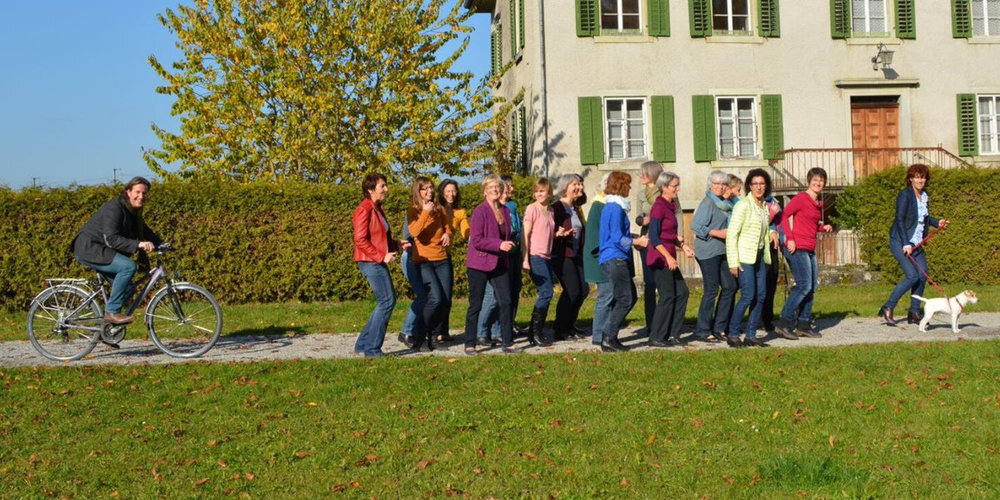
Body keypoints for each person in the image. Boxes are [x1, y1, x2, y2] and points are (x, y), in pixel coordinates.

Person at [71, 176, 163, 328]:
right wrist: (138, 244)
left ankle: (103, 329)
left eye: (144, 193)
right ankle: (112, 312)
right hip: (90, 248)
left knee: (128, 289)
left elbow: (146, 231)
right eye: (137, 192)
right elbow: (111, 239)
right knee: (128, 266)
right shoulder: (115, 208)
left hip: (102, 249)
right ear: (128, 192)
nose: (141, 196)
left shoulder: (132, 211)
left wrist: (163, 244)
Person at [878, 164, 950, 326]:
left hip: (916, 242)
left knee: (922, 275)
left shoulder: (924, 196)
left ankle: (914, 313)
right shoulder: (905, 195)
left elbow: (923, 218)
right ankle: (888, 307)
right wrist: (905, 244)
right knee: (912, 276)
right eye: (917, 177)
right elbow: (900, 220)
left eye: (923, 177)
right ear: (910, 179)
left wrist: (937, 222)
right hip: (900, 241)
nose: (920, 180)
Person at [351, 173, 408, 358]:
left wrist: (396, 244)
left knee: (385, 301)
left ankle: (363, 344)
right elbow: (360, 240)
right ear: (370, 190)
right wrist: (381, 256)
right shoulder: (364, 209)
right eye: (382, 186)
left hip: (374, 260)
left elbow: (379, 237)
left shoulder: (377, 209)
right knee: (387, 301)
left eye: (385, 185)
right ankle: (372, 349)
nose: (386, 189)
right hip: (370, 262)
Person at [774, 168, 834, 340]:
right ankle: (783, 322)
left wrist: (822, 228)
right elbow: (784, 216)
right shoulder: (801, 198)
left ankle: (804, 324)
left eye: (821, 180)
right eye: (815, 180)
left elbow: (810, 225)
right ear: (809, 181)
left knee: (812, 287)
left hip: (809, 248)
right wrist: (789, 238)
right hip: (797, 247)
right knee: (804, 286)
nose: (818, 183)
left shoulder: (817, 203)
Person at [464, 175, 520, 355]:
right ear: (485, 191)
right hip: (479, 262)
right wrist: (499, 245)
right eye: (491, 187)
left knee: (506, 301)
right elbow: (476, 240)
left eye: (498, 186)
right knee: (476, 304)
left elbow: (508, 235)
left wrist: (509, 244)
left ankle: (508, 342)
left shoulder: (505, 211)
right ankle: (470, 343)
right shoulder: (480, 211)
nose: (495, 189)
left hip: (500, 262)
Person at [726, 169, 776, 348]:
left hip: (760, 256)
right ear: (749, 186)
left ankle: (751, 335)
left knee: (761, 295)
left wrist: (772, 233)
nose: (759, 187)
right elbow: (732, 234)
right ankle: (733, 334)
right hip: (744, 258)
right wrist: (733, 262)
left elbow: (762, 230)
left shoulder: (764, 206)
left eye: (762, 184)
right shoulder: (743, 205)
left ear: (766, 186)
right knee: (748, 296)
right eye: (755, 184)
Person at [599, 171, 648, 352]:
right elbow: (616, 238)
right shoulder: (614, 208)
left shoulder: (614, 207)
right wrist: (637, 242)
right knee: (625, 299)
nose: (630, 187)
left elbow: (619, 234)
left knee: (629, 297)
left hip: (616, 257)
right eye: (627, 184)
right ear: (620, 186)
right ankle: (607, 337)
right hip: (615, 257)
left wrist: (634, 237)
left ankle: (610, 336)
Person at [647, 172, 694, 347]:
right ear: (664, 187)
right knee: (667, 295)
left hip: (669, 255)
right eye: (674, 186)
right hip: (659, 259)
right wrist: (668, 257)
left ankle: (673, 334)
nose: (677, 189)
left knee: (682, 292)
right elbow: (654, 236)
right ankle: (656, 337)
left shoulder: (670, 206)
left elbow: (669, 234)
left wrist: (683, 246)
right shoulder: (658, 207)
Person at [479, 175, 525, 344]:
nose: (511, 189)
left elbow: (517, 229)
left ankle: (502, 329)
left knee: (510, 293)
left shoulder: (511, 206)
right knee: (493, 297)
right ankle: (482, 331)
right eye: (508, 186)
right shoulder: (489, 208)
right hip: (496, 255)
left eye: (511, 186)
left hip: (512, 253)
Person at [407, 177, 452, 351]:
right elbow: (414, 232)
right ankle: (421, 336)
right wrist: (425, 212)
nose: (430, 191)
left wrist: (447, 234)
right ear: (418, 192)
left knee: (445, 299)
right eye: (425, 188)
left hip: (442, 259)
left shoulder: (439, 209)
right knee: (435, 298)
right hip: (423, 261)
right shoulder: (413, 211)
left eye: (431, 188)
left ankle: (434, 337)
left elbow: (447, 227)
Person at [690, 171, 735, 343]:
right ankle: (702, 330)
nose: (720, 187)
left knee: (730, 286)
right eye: (716, 183)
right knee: (711, 290)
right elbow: (696, 226)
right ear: (710, 185)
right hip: (707, 251)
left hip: (722, 250)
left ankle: (719, 327)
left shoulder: (724, 203)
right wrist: (717, 233)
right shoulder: (708, 203)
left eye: (723, 184)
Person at [551, 173, 589, 340]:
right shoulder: (557, 208)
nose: (579, 187)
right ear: (565, 188)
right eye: (575, 184)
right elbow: (547, 231)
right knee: (572, 291)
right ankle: (560, 329)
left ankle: (570, 325)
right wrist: (559, 234)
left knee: (583, 290)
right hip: (562, 255)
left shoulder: (575, 208)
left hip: (576, 255)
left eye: (580, 184)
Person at [522, 177, 557, 346]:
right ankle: (535, 332)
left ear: (549, 192)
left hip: (547, 256)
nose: (539, 194)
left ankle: (534, 332)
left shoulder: (550, 210)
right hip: (535, 256)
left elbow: (545, 232)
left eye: (542, 191)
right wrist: (525, 259)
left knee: (547, 292)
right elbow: (525, 235)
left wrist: (558, 233)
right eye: (536, 191)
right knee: (546, 292)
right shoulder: (532, 209)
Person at [583, 174, 614, 348]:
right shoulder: (598, 206)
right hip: (600, 258)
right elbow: (595, 237)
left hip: (605, 256)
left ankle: (605, 332)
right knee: (606, 295)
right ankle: (598, 335)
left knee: (611, 295)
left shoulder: (606, 204)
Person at [436, 179, 469, 342]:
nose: (451, 194)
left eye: (454, 190)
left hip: (445, 257)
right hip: (430, 256)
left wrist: (474, 234)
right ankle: (430, 330)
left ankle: (443, 331)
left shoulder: (460, 212)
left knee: (447, 295)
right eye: (448, 191)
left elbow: (466, 231)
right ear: (442, 192)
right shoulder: (436, 208)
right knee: (435, 296)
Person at [634, 161, 664, 336]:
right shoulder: (640, 194)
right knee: (649, 283)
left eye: (644, 174)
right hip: (647, 240)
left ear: (652, 174)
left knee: (663, 283)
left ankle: (663, 321)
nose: (641, 177)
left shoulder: (664, 192)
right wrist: (641, 220)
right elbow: (638, 217)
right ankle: (650, 323)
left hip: (662, 239)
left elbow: (675, 213)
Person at [398, 215, 426, 349]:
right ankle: (406, 331)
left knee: (428, 296)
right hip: (411, 257)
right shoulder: (412, 213)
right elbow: (409, 236)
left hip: (424, 259)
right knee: (423, 296)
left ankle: (416, 332)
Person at [760, 193, 783, 334]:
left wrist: (775, 232)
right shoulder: (754, 203)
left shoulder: (772, 200)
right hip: (761, 247)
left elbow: (778, 223)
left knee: (771, 284)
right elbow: (759, 224)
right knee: (762, 285)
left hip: (773, 246)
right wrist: (773, 213)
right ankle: (760, 319)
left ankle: (767, 319)